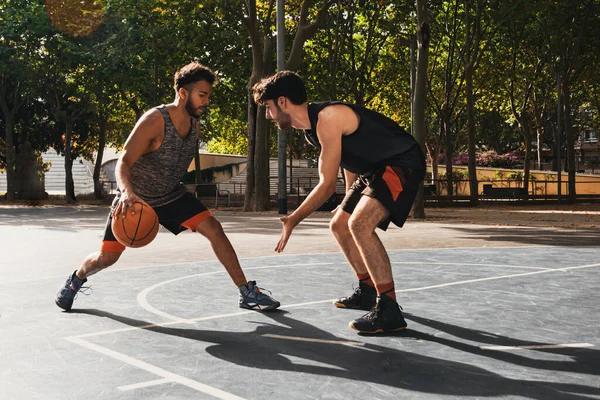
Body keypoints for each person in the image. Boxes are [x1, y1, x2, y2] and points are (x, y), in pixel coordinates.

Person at [56, 62, 280, 312]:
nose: (206, 101)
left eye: (208, 96)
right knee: (106, 257)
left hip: (170, 195)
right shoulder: (154, 120)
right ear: (183, 93)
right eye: (202, 95)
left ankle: (246, 291)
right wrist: (127, 193)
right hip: (135, 199)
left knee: (214, 229)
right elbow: (124, 161)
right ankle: (76, 279)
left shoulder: (195, 125)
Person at [252, 71, 425, 333]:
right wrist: (348, 198)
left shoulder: (327, 118)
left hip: (401, 163)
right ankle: (367, 289)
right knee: (339, 225)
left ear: (283, 102)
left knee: (359, 225)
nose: (268, 115)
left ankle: (389, 309)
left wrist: (292, 220)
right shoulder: (311, 127)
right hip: (373, 172)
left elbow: (326, 184)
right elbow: (348, 159)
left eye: (268, 107)